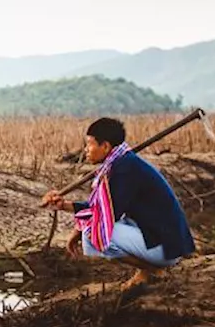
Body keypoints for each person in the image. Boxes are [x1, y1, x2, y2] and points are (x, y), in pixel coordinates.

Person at [42, 116, 195, 293]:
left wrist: (76, 230)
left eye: (90, 144)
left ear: (105, 146)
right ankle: (149, 269)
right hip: (162, 240)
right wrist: (64, 205)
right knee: (91, 231)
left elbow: (107, 214)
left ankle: (151, 270)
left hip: (166, 247)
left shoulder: (125, 168)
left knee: (93, 233)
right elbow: (102, 209)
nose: (86, 150)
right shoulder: (120, 163)